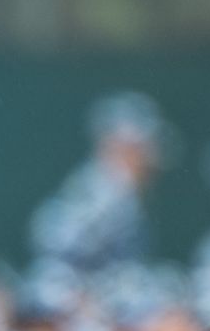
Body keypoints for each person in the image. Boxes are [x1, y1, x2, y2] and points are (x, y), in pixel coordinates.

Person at [26, 92, 164, 274]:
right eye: (137, 149)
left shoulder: (120, 189)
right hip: (75, 285)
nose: (147, 159)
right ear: (115, 146)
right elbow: (51, 241)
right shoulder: (102, 189)